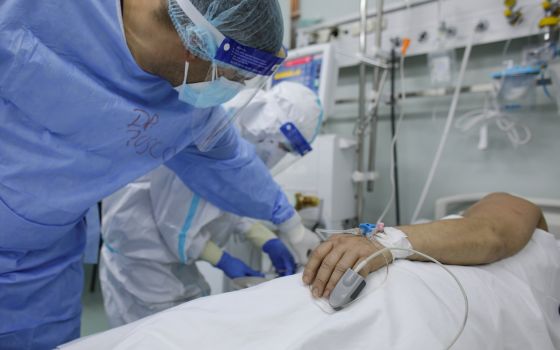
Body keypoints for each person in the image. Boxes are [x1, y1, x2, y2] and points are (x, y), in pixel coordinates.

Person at [0, 0, 314, 348]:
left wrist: (287, 221)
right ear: (196, 43)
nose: (228, 87)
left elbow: (228, 162)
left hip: (44, 267)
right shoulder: (31, 10)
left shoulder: (186, 108)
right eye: (229, 76)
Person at [100, 82, 323, 327]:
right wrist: (224, 260)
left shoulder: (233, 132)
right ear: (269, 128)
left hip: (164, 254)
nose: (279, 154)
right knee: (158, 332)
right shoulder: (209, 138)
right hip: (143, 257)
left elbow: (225, 197)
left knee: (191, 315)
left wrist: (265, 239)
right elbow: (175, 224)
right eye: (283, 146)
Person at [303, 193, 549, 299]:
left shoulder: (542, 254)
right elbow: (491, 233)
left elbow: (492, 237)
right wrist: (386, 241)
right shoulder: (491, 221)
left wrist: (386, 241)